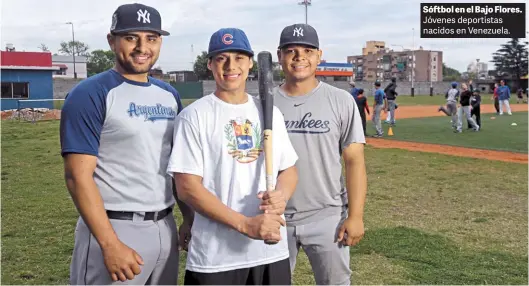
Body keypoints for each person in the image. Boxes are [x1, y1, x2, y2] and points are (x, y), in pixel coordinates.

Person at [60, 3, 188, 285]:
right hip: (114, 226)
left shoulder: (168, 94)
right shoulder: (91, 93)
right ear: (111, 40)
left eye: (151, 38)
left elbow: (176, 165)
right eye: (131, 37)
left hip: (164, 223)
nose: (142, 47)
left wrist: (187, 217)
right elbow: (76, 177)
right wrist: (109, 244)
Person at [167, 27, 299, 285]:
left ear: (250, 63)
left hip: (270, 251)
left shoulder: (269, 112)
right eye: (221, 58)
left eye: (239, 57)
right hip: (216, 258)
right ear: (210, 64)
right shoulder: (194, 116)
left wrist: (281, 195)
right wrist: (246, 225)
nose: (231, 66)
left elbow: (289, 170)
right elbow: (187, 189)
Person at [273, 23, 367, 285]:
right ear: (280, 56)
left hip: (328, 217)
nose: (299, 56)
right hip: (276, 219)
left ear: (318, 55)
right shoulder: (264, 103)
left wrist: (356, 216)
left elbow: (354, 161)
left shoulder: (340, 100)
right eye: (290, 50)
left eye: (307, 50)